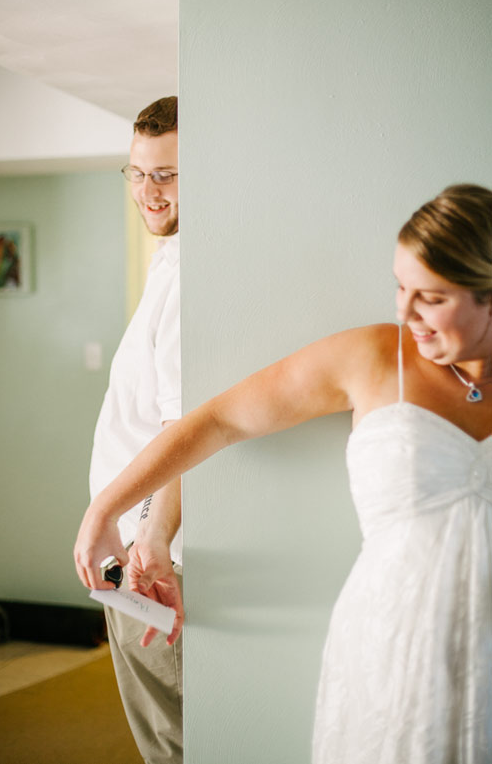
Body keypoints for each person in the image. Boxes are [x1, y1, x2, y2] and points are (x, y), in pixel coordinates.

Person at [76, 183, 492, 763]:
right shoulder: (375, 357)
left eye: (432, 297)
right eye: (401, 288)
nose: (405, 312)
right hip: (397, 644)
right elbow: (218, 420)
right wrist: (108, 510)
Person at [86, 96, 184, 764]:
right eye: (138, 173)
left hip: (153, 561)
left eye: (168, 174)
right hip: (144, 546)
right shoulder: (171, 258)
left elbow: (185, 427)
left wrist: (149, 533)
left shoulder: (190, 273)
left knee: (173, 742)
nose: (148, 191)